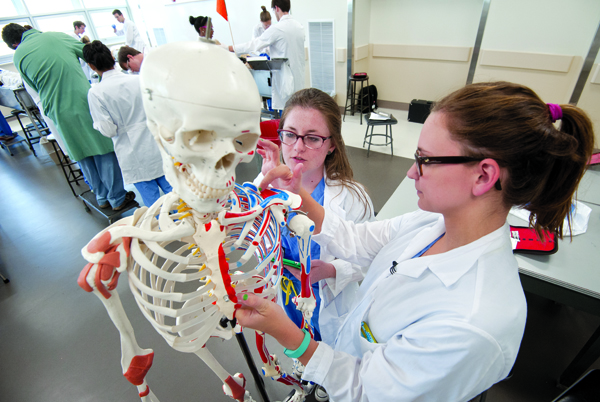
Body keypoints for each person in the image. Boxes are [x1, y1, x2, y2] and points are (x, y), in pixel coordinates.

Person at [237, 81, 595, 401]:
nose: (410, 171)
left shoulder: (472, 322)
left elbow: (367, 391)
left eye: (424, 160)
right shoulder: (433, 223)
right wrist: (297, 191)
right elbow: (358, 239)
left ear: (484, 175)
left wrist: (288, 336)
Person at [255, 88, 374, 345]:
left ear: (331, 144)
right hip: (287, 297)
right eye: (290, 135)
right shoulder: (263, 185)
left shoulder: (353, 198)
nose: (298, 147)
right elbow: (255, 244)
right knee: (297, 349)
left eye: (312, 138)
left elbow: (368, 257)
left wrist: (332, 269)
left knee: (332, 361)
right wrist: (264, 194)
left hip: (331, 302)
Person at [2, 23, 134, 210]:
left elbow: (32, 86)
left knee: (79, 152)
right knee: (102, 148)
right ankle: (117, 198)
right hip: (81, 102)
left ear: (13, 44)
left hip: (55, 109)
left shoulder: (18, 56)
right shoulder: (58, 36)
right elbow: (92, 56)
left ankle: (102, 197)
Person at [84, 41, 172, 208]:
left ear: (91, 66)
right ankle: (191, 229)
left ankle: (167, 232)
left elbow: (108, 130)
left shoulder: (96, 92)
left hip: (133, 154)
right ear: (112, 57)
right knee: (175, 194)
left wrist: (97, 125)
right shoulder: (139, 80)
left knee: (154, 205)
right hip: (157, 145)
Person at [229, 0, 305, 110]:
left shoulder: (277, 28)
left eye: (274, 10)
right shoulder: (299, 27)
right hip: (298, 81)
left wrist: (230, 48)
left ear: (277, 8)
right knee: (297, 109)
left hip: (285, 81)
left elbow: (254, 44)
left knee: (286, 114)